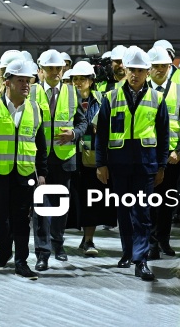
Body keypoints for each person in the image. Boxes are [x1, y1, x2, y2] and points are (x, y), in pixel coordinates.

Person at [95, 46, 169, 281]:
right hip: (119, 164)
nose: (135, 74)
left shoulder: (157, 98)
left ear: (147, 72)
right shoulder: (111, 97)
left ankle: (141, 260)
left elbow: (164, 134)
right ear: (125, 70)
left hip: (146, 165)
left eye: (140, 70)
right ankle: (127, 252)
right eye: (131, 70)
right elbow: (102, 135)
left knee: (143, 212)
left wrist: (162, 165)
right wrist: (101, 164)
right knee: (124, 211)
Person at [0, 58, 47, 280]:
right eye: (20, 80)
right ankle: (5, 249)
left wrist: (42, 172)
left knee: (21, 219)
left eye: (29, 81)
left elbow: (41, 144)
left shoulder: (35, 109)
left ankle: (21, 261)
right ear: (7, 82)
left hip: (24, 173)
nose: (26, 85)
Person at [31, 49, 87, 272]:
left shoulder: (72, 92)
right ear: (41, 70)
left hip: (64, 157)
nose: (55, 72)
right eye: (50, 68)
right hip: (38, 158)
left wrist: (73, 134)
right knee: (41, 207)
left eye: (58, 68)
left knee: (60, 205)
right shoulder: (32, 92)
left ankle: (58, 244)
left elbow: (82, 123)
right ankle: (42, 252)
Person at [146, 46, 180, 260]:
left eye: (163, 66)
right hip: (146, 154)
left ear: (170, 67)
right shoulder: (139, 88)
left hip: (171, 156)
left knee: (167, 201)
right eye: (155, 66)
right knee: (146, 201)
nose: (159, 70)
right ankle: (149, 243)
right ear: (149, 68)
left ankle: (163, 239)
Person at [70, 60, 116, 256]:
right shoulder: (66, 99)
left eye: (83, 79)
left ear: (91, 80)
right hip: (69, 155)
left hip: (91, 156)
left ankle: (88, 240)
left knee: (91, 200)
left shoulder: (101, 99)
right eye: (75, 79)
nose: (79, 82)